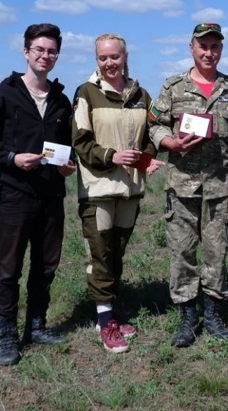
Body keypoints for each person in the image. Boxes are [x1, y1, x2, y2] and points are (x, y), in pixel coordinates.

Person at [0, 23, 77, 367]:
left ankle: (36, 325)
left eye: (51, 51)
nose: (45, 56)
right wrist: (12, 158)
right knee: (9, 268)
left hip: (51, 194)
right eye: (39, 50)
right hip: (15, 194)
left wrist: (68, 165)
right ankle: (7, 334)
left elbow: (68, 147)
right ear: (26, 52)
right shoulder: (2, 94)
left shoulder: (62, 100)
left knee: (46, 265)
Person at [148, 22, 228, 347]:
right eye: (203, 46)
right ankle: (188, 317)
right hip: (182, 187)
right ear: (191, 48)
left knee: (216, 252)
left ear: (221, 50)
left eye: (215, 46)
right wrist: (170, 143)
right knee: (182, 252)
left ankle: (214, 314)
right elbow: (154, 125)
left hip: (221, 187)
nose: (209, 52)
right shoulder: (173, 87)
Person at [71, 33, 164, 353]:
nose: (109, 63)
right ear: (96, 60)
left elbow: (152, 133)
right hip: (97, 188)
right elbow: (80, 142)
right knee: (100, 253)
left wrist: (146, 158)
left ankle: (108, 309)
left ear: (125, 57)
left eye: (115, 57)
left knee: (117, 251)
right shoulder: (86, 93)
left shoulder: (141, 94)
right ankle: (105, 321)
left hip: (131, 187)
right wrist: (112, 156)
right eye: (102, 58)